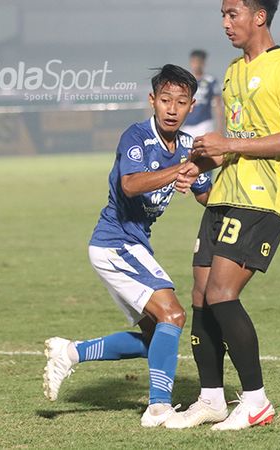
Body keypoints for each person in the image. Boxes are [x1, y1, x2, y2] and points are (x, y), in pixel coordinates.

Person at [165, 0, 280, 431]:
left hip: (261, 198)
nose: (226, 23)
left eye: (233, 14)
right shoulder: (231, 71)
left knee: (222, 292)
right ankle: (210, 398)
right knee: (200, 292)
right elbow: (234, 140)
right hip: (223, 195)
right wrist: (200, 164)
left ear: (259, 16)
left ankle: (256, 400)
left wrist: (227, 146)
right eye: (223, 15)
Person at [42, 65, 213, 427]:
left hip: (134, 245)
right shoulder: (136, 136)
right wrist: (183, 168)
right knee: (174, 314)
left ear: (191, 107)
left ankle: (70, 352)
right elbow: (131, 185)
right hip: (114, 243)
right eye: (165, 100)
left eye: (180, 102)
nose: (171, 108)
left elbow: (205, 195)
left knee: (157, 337)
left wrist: (228, 181)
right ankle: (158, 408)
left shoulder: (187, 146)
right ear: (152, 100)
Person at [182, 49, 224, 139]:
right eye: (193, 62)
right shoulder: (185, 81)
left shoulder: (210, 81)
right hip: (187, 124)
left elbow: (218, 104)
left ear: (203, 63)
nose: (196, 65)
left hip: (205, 123)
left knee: (204, 150)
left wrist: (220, 127)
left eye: (198, 62)